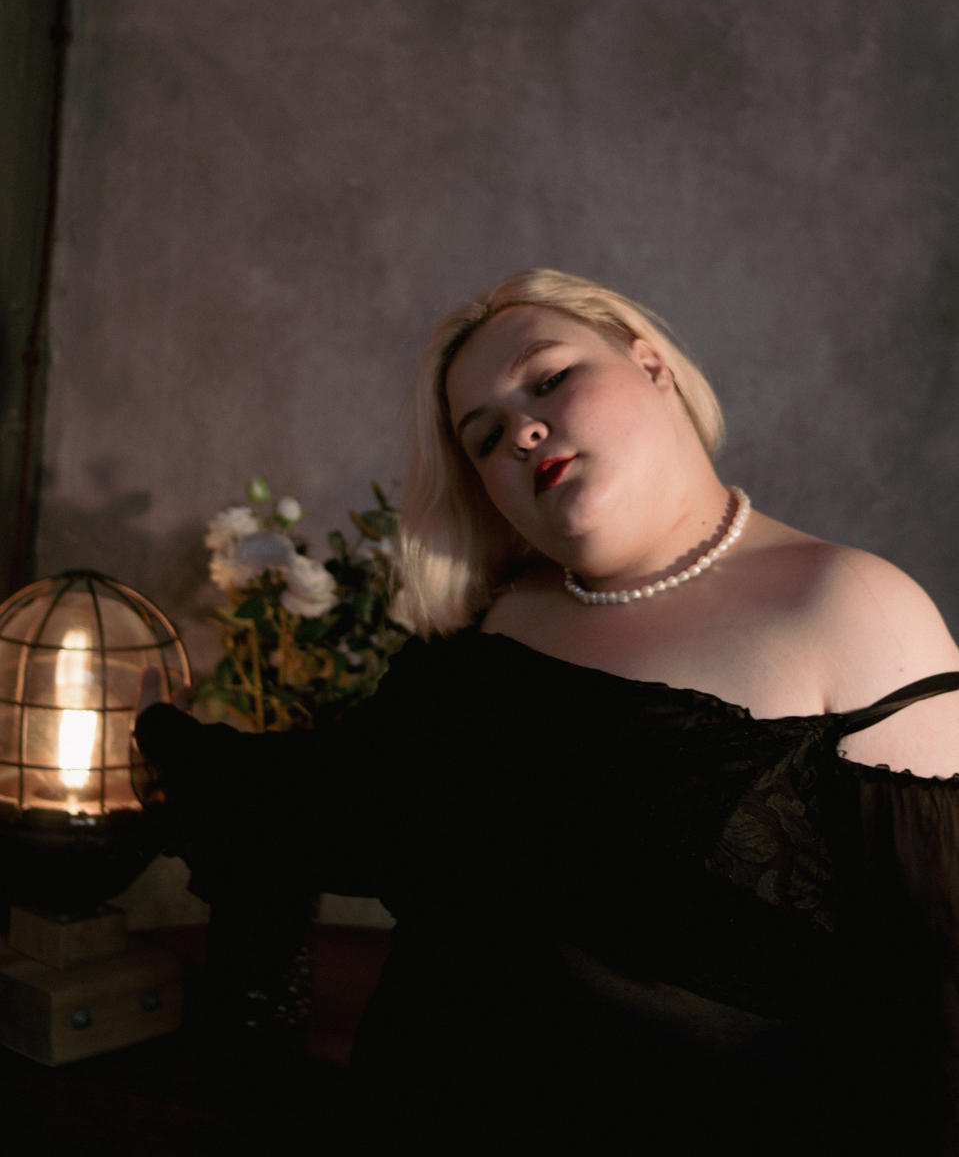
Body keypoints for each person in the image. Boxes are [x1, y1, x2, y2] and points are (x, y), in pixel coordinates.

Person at [137, 268, 959, 1153]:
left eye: (549, 378)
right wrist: (149, 734)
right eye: (485, 437)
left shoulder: (851, 606)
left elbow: (931, 1004)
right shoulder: (489, 619)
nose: (522, 432)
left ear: (651, 366)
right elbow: (335, 804)